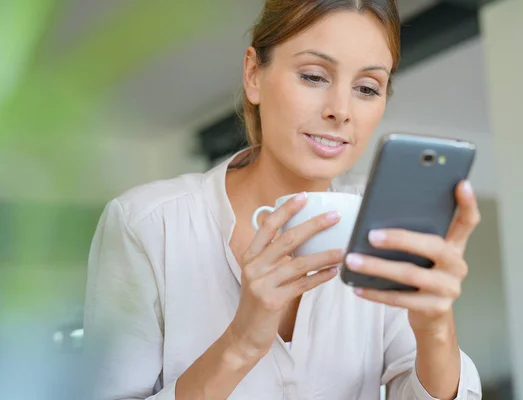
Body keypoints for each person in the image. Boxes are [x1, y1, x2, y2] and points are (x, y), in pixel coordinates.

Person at [84, 1, 483, 399]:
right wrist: (240, 344)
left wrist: (435, 327)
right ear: (254, 74)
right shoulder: (148, 225)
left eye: (366, 88)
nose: (340, 111)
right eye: (313, 76)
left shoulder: (385, 223)